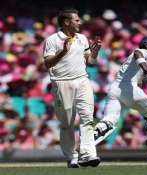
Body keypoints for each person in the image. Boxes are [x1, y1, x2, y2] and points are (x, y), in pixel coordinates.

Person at [43, 8, 101, 168]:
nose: (80, 22)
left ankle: (88, 154)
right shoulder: (53, 40)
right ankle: (71, 157)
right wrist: (63, 52)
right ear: (66, 22)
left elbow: (91, 62)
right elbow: (47, 64)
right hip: (62, 83)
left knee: (88, 118)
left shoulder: (82, 38)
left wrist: (94, 54)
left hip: (82, 80)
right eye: (76, 20)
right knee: (67, 123)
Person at [94, 36, 147, 160]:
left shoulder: (142, 62)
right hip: (127, 88)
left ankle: (86, 145)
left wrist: (145, 76)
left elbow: (138, 83)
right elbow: (138, 52)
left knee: (109, 121)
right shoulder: (144, 52)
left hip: (114, 89)